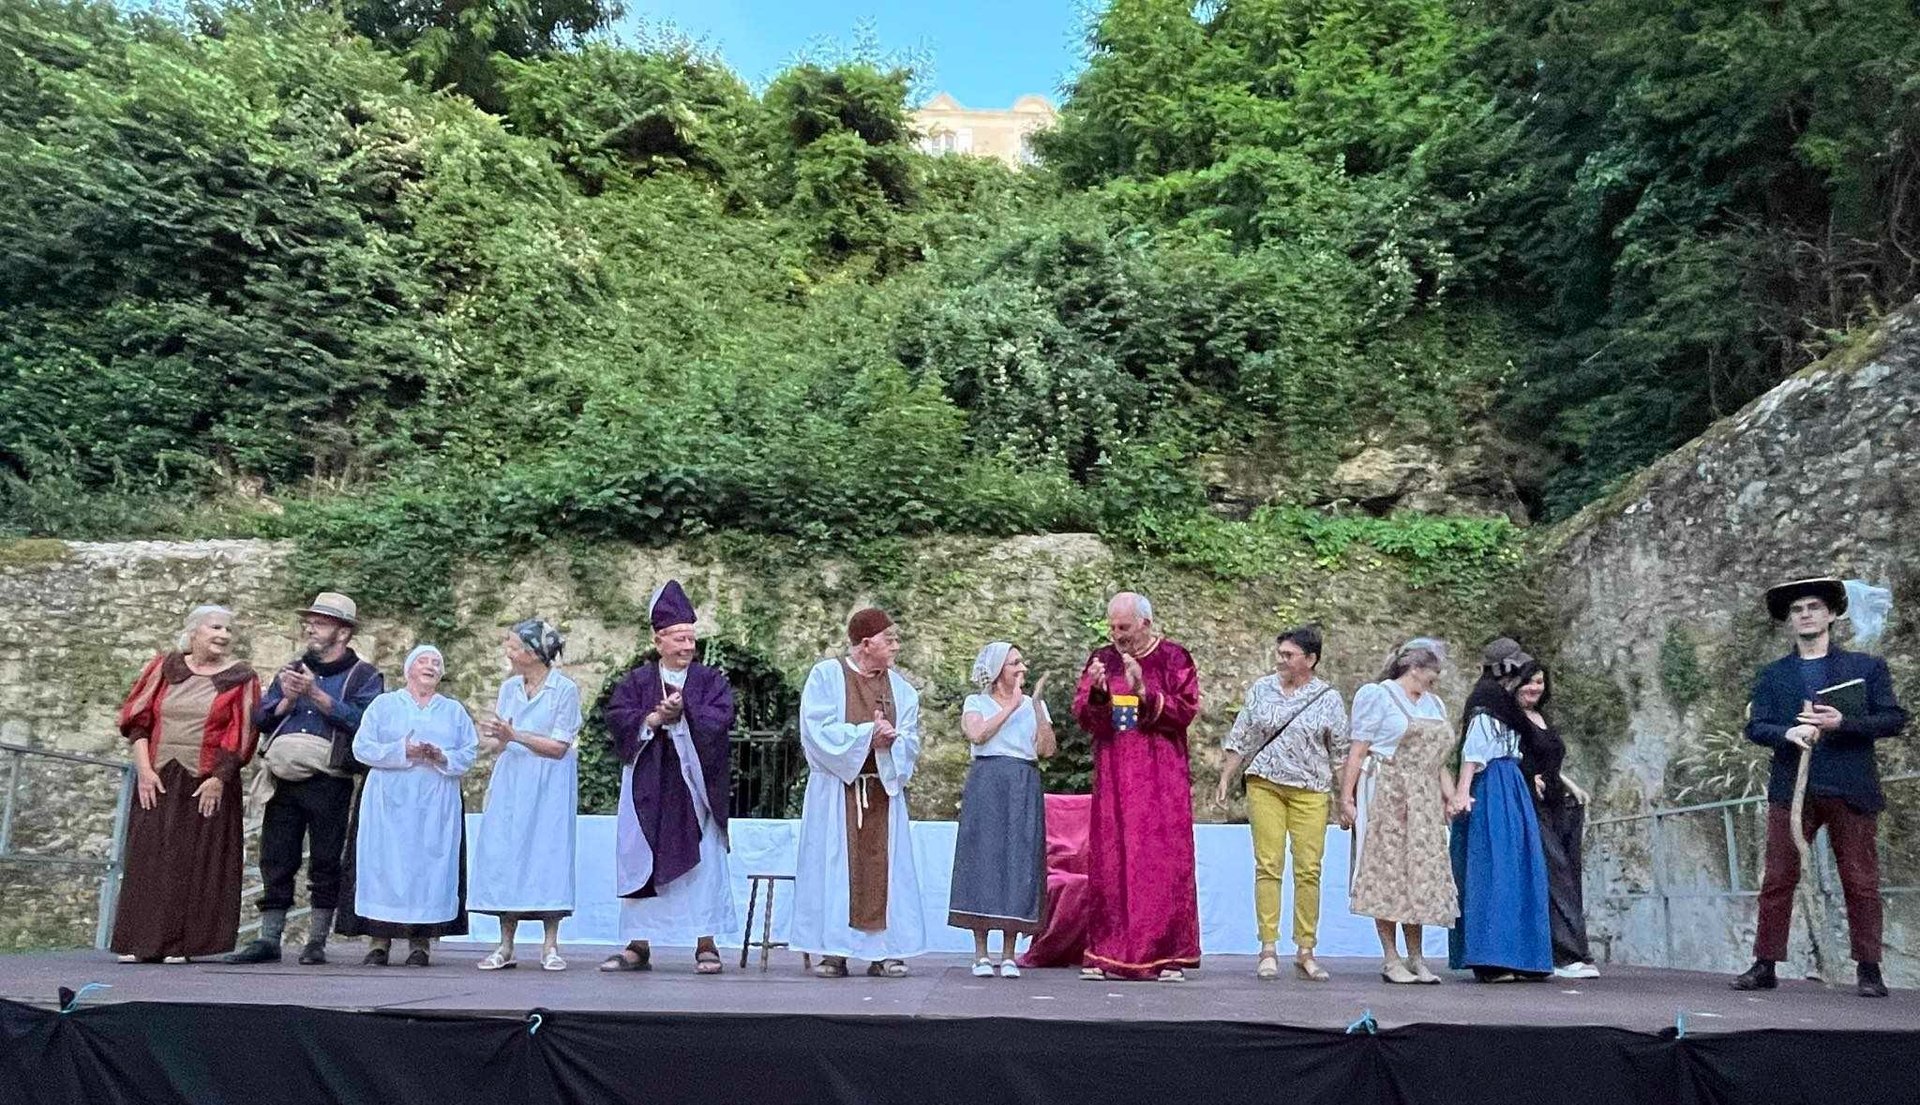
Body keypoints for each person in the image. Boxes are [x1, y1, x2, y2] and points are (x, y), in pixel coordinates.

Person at [1732, 577, 1908, 998]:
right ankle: (1765, 964)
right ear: (1789, 621)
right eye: (1797, 610)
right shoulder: (1774, 675)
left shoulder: (1866, 669)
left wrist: (1841, 724)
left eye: (1813, 607)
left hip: (1850, 785)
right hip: (1792, 788)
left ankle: (1869, 969)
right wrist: (1788, 734)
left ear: (1831, 614)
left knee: (1861, 880)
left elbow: (1893, 719)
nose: (1805, 614)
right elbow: (1756, 726)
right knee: (1777, 878)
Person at [228, 592, 384, 966]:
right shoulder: (292, 667)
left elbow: (366, 724)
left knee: (327, 860)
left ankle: (316, 942)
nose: (311, 628)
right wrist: (286, 698)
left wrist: (316, 695)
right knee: (276, 857)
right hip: (283, 777)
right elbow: (263, 720)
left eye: (321, 622)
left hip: (328, 778)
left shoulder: (365, 676)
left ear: (343, 632)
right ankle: (268, 939)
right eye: (310, 622)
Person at [601, 581, 738, 975]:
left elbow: (721, 719)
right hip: (649, 789)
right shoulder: (638, 682)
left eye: (691, 638)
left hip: (696, 789)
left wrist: (685, 712)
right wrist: (655, 718)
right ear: (658, 640)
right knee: (641, 857)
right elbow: (618, 718)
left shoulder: (710, 681)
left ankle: (705, 943)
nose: (687, 646)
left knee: (705, 862)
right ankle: (637, 945)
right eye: (679, 638)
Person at [111, 605, 261, 963]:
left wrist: (218, 778)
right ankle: (140, 941)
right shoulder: (165, 668)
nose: (223, 635)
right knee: (149, 856)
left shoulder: (240, 678)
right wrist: (144, 771)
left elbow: (242, 732)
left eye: (228, 630)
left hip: (205, 779)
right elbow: (138, 721)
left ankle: (182, 944)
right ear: (194, 631)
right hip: (158, 775)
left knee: (193, 860)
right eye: (215, 627)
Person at [1072, 592, 1203, 983]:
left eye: (1124, 628)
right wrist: (1096, 692)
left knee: (1159, 864)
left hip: (1161, 779)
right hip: (1114, 777)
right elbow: (1085, 716)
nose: (1117, 635)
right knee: (1112, 863)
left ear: (1145, 623)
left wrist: (1145, 692)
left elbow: (1186, 711)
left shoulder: (1175, 658)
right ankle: (1107, 952)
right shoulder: (1101, 659)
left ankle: (1166, 955)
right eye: (1112, 627)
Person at [791, 608, 927, 977]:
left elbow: (911, 741)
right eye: (890, 639)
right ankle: (835, 952)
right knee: (836, 870)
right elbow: (816, 732)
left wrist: (888, 744)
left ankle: (883, 952)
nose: (896, 646)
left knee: (885, 871)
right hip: (837, 793)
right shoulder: (826, 677)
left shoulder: (902, 690)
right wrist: (867, 735)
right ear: (866, 644)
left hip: (880, 790)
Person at [1214, 624, 1349, 982]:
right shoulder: (1262, 689)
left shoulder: (1328, 697)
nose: (1281, 660)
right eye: (1280, 653)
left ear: (1311, 659)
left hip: (1311, 788)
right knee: (1268, 864)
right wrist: (1227, 776)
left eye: (1288, 655)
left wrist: (1345, 798)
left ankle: (1306, 948)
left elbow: (1340, 752)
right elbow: (1241, 735)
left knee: (1308, 869)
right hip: (1265, 784)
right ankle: (1268, 947)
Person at [336, 645, 477, 967]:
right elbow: (363, 748)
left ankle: (420, 943)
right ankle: (378, 942)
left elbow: (468, 752)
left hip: (434, 801)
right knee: (384, 865)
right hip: (389, 800)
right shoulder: (384, 705)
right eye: (424, 661)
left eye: (437, 663)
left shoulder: (453, 711)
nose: (431, 666)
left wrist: (442, 756)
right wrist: (404, 750)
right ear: (409, 670)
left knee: (428, 867)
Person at [1339, 638, 1462, 985]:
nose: (1435, 681)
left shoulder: (1434, 705)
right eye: (1432, 673)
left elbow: (1439, 763)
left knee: (1419, 875)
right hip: (1387, 789)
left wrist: (1449, 797)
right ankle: (1391, 957)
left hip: (1422, 795)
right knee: (1388, 870)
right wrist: (1346, 798)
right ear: (1415, 669)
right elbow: (1359, 750)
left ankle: (1417, 957)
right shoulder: (1379, 696)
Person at [470, 619, 582, 972]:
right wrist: (492, 738)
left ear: (533, 653)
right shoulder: (509, 689)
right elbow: (500, 742)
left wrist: (514, 735)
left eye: (514, 645)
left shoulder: (563, 690)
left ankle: (550, 945)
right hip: (512, 781)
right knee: (507, 853)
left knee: (546, 855)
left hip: (548, 783)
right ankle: (505, 945)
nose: (508, 650)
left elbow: (559, 746)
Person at [949, 642, 1056, 978]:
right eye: (1014, 663)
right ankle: (981, 953)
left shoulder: (1033, 704)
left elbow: (1047, 750)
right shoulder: (976, 702)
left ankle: (1009, 952)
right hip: (987, 782)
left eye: (1021, 662)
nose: (1022, 668)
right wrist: (1012, 706)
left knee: (1018, 860)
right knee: (982, 859)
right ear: (997, 671)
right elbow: (977, 733)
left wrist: (1035, 706)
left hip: (1023, 781)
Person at [1448, 646, 1553, 982]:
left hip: (1511, 783)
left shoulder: (1503, 702)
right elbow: (1474, 750)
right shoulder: (1487, 701)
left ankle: (1522, 955)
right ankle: (1491, 958)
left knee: (1519, 868)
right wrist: (1463, 791)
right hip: (1492, 785)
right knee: (1496, 868)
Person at [1512, 655, 1598, 980]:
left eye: (1539, 681)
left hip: (1556, 803)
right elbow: (1506, 757)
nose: (1534, 687)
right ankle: (1565, 955)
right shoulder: (1513, 720)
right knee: (1556, 874)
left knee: (1568, 873)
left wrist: (1571, 785)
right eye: (1529, 681)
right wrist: (1526, 775)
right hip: (1531, 805)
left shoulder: (1541, 717)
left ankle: (1567, 950)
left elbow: (1552, 762)